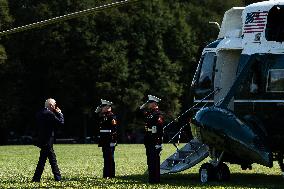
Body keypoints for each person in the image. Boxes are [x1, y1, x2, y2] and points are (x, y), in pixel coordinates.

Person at [32, 98, 64, 182]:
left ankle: (58, 178)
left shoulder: (39, 113)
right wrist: (60, 113)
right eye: (55, 104)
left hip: (41, 140)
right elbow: (61, 123)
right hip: (48, 140)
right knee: (43, 160)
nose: (55, 106)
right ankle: (36, 178)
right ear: (51, 105)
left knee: (52, 159)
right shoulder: (49, 114)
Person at [139, 95, 164, 183]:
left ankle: (156, 179)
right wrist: (142, 106)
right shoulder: (149, 114)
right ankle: (151, 179)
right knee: (150, 160)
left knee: (155, 161)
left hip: (155, 139)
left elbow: (160, 129)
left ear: (154, 103)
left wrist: (159, 142)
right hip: (148, 139)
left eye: (149, 102)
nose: (148, 104)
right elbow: (138, 114)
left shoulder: (158, 114)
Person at [95, 99, 118, 179]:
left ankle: (111, 175)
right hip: (104, 139)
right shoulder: (103, 116)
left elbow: (114, 129)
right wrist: (97, 110)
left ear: (108, 107)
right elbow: (95, 117)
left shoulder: (112, 116)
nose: (102, 108)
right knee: (106, 157)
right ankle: (106, 174)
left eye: (103, 107)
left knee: (110, 158)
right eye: (102, 107)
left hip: (110, 139)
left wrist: (113, 141)